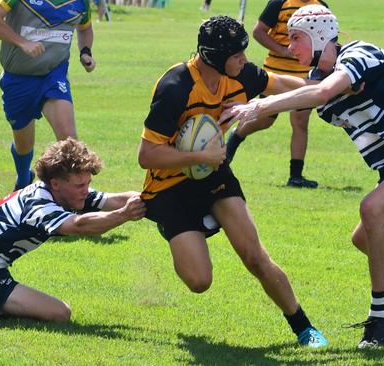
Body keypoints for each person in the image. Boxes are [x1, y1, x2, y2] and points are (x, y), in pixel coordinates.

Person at [220, 5, 384, 348]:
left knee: (372, 210)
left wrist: (259, 105)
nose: (289, 47)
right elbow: (304, 91)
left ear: (320, 35)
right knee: (363, 238)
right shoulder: (320, 79)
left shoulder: (359, 53)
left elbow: (321, 93)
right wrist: (247, 99)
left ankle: (379, 318)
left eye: (296, 38)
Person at [137, 15, 327, 348]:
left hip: (213, 175)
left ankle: (303, 327)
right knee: (199, 281)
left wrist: (326, 90)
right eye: (237, 55)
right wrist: (199, 157)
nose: (245, 60)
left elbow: (282, 85)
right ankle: (183, 227)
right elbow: (147, 155)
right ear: (214, 57)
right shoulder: (175, 87)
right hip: (170, 187)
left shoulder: (240, 74)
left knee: (254, 256)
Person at [0, 138, 146, 321]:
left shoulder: (61, 192)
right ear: (55, 183)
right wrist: (123, 215)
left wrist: (154, 197)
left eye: (88, 184)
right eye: (80, 185)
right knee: (60, 313)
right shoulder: (39, 205)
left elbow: (112, 199)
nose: (86, 190)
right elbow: (80, 225)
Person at [0, 0, 97, 191]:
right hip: (18, 78)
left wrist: (85, 52)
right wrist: (23, 43)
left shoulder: (81, 3)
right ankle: (23, 178)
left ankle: (74, 197)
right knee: (24, 145)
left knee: (69, 139)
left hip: (53, 75)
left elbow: (85, 28)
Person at [225, 0, 328, 188]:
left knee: (300, 122)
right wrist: (282, 50)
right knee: (265, 119)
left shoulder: (320, 6)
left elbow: (325, 39)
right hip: (275, 73)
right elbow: (258, 31)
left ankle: (295, 176)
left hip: (305, 76)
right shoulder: (280, 2)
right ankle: (235, 137)